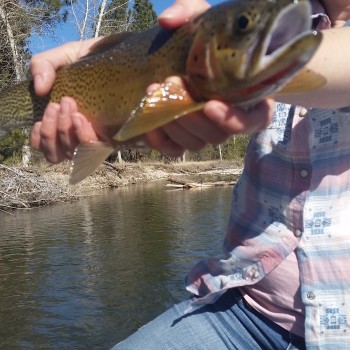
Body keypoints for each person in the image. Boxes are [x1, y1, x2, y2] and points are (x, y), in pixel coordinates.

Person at [29, 0, 350, 349]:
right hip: (243, 311)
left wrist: (211, 59)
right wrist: (118, 61)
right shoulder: (286, 12)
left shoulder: (269, 25)